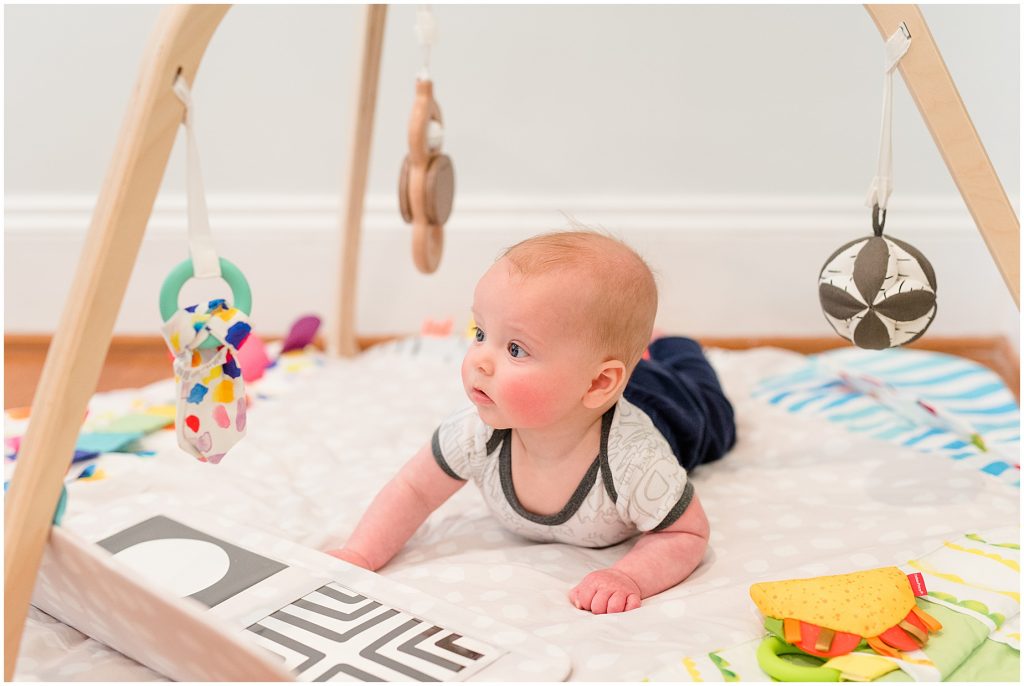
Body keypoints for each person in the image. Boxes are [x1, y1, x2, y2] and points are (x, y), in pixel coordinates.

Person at [327, 230, 736, 614]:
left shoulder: (633, 458)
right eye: (481, 333)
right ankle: (639, 351)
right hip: (602, 385)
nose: (480, 360)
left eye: (516, 349)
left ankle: (673, 346)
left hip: (666, 404)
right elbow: (413, 489)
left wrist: (628, 575)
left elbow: (685, 534)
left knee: (712, 410)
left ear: (597, 382)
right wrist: (359, 554)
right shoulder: (476, 432)